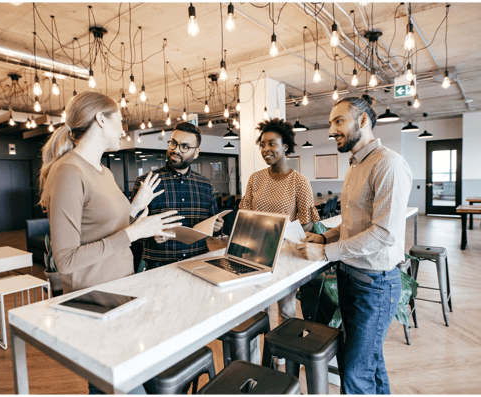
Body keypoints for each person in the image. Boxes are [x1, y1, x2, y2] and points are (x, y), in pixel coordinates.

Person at [39, 91, 182, 395]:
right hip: (95, 300)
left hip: (121, 290)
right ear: (101, 119)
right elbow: (65, 260)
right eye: (120, 121)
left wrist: (137, 219)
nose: (123, 130)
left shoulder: (102, 170)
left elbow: (103, 228)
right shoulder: (68, 171)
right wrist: (132, 233)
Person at [297, 94, 413, 395]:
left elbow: (383, 234)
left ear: (362, 120)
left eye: (338, 121)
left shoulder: (388, 164)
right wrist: (324, 236)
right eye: (330, 123)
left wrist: (325, 252)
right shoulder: (355, 165)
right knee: (366, 364)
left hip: (374, 287)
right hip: (352, 281)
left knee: (355, 373)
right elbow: (351, 225)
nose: (331, 130)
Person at [239, 118, 320, 321]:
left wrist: (277, 231)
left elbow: (307, 222)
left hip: (285, 252)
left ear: (285, 146)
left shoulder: (299, 181)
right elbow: (245, 214)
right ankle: (258, 353)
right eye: (262, 145)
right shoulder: (255, 179)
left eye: (272, 143)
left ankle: (283, 352)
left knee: (286, 308)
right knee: (256, 309)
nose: (266, 149)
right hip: (256, 251)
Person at [132, 121, 223, 270]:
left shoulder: (205, 185)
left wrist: (217, 227)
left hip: (199, 262)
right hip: (159, 267)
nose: (176, 150)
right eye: (173, 143)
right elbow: (132, 228)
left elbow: (212, 225)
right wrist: (151, 234)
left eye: (185, 146)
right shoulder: (146, 182)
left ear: (196, 152)